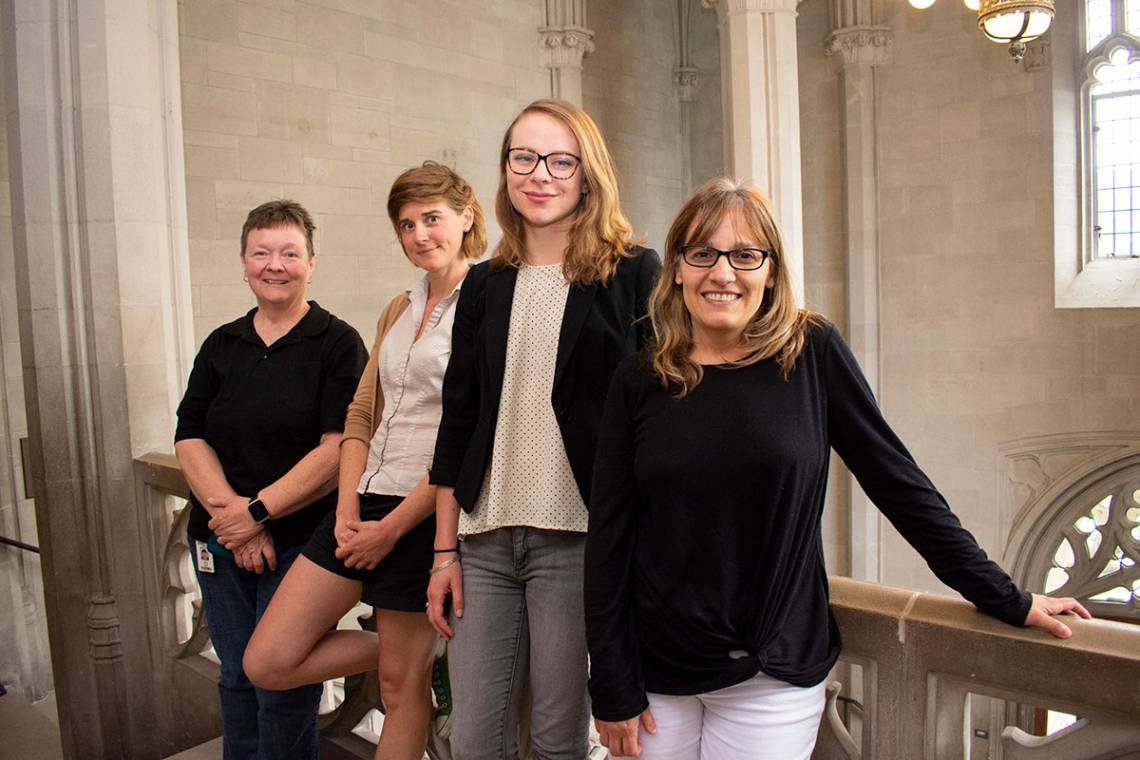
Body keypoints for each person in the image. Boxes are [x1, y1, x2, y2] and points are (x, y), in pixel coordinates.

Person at [583, 177, 1092, 760]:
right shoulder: (641, 378)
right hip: (656, 673)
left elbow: (897, 483)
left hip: (771, 671)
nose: (722, 273)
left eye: (746, 255)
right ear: (676, 269)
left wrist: (1006, 597)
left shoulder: (810, 352)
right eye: (702, 254)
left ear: (771, 271)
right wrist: (612, 685)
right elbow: (610, 540)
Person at [425, 98, 661, 760]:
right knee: (475, 741)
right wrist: (444, 553)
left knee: (559, 741)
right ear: (504, 171)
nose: (540, 174)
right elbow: (458, 424)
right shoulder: (483, 285)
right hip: (483, 542)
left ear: (588, 173)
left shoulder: (632, 273)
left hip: (577, 543)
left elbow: (660, 413)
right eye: (523, 158)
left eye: (561, 160)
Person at [240, 162, 487, 760]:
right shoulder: (397, 308)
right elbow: (359, 417)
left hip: (426, 510)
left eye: (432, 218)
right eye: (406, 224)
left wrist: (393, 528)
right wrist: (348, 507)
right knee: (266, 660)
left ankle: (416, 657)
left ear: (467, 217)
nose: (420, 234)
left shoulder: (485, 306)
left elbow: (473, 436)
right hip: (361, 502)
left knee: (403, 692)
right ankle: (422, 650)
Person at [175, 199, 368, 760]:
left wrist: (258, 514)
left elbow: (338, 448)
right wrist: (233, 517)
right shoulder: (221, 344)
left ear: (311, 262)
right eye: (261, 252)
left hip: (299, 545)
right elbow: (189, 438)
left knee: (282, 684)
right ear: (243, 262)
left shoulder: (337, 343)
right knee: (235, 678)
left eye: (289, 252)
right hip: (218, 538)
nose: (274, 264)